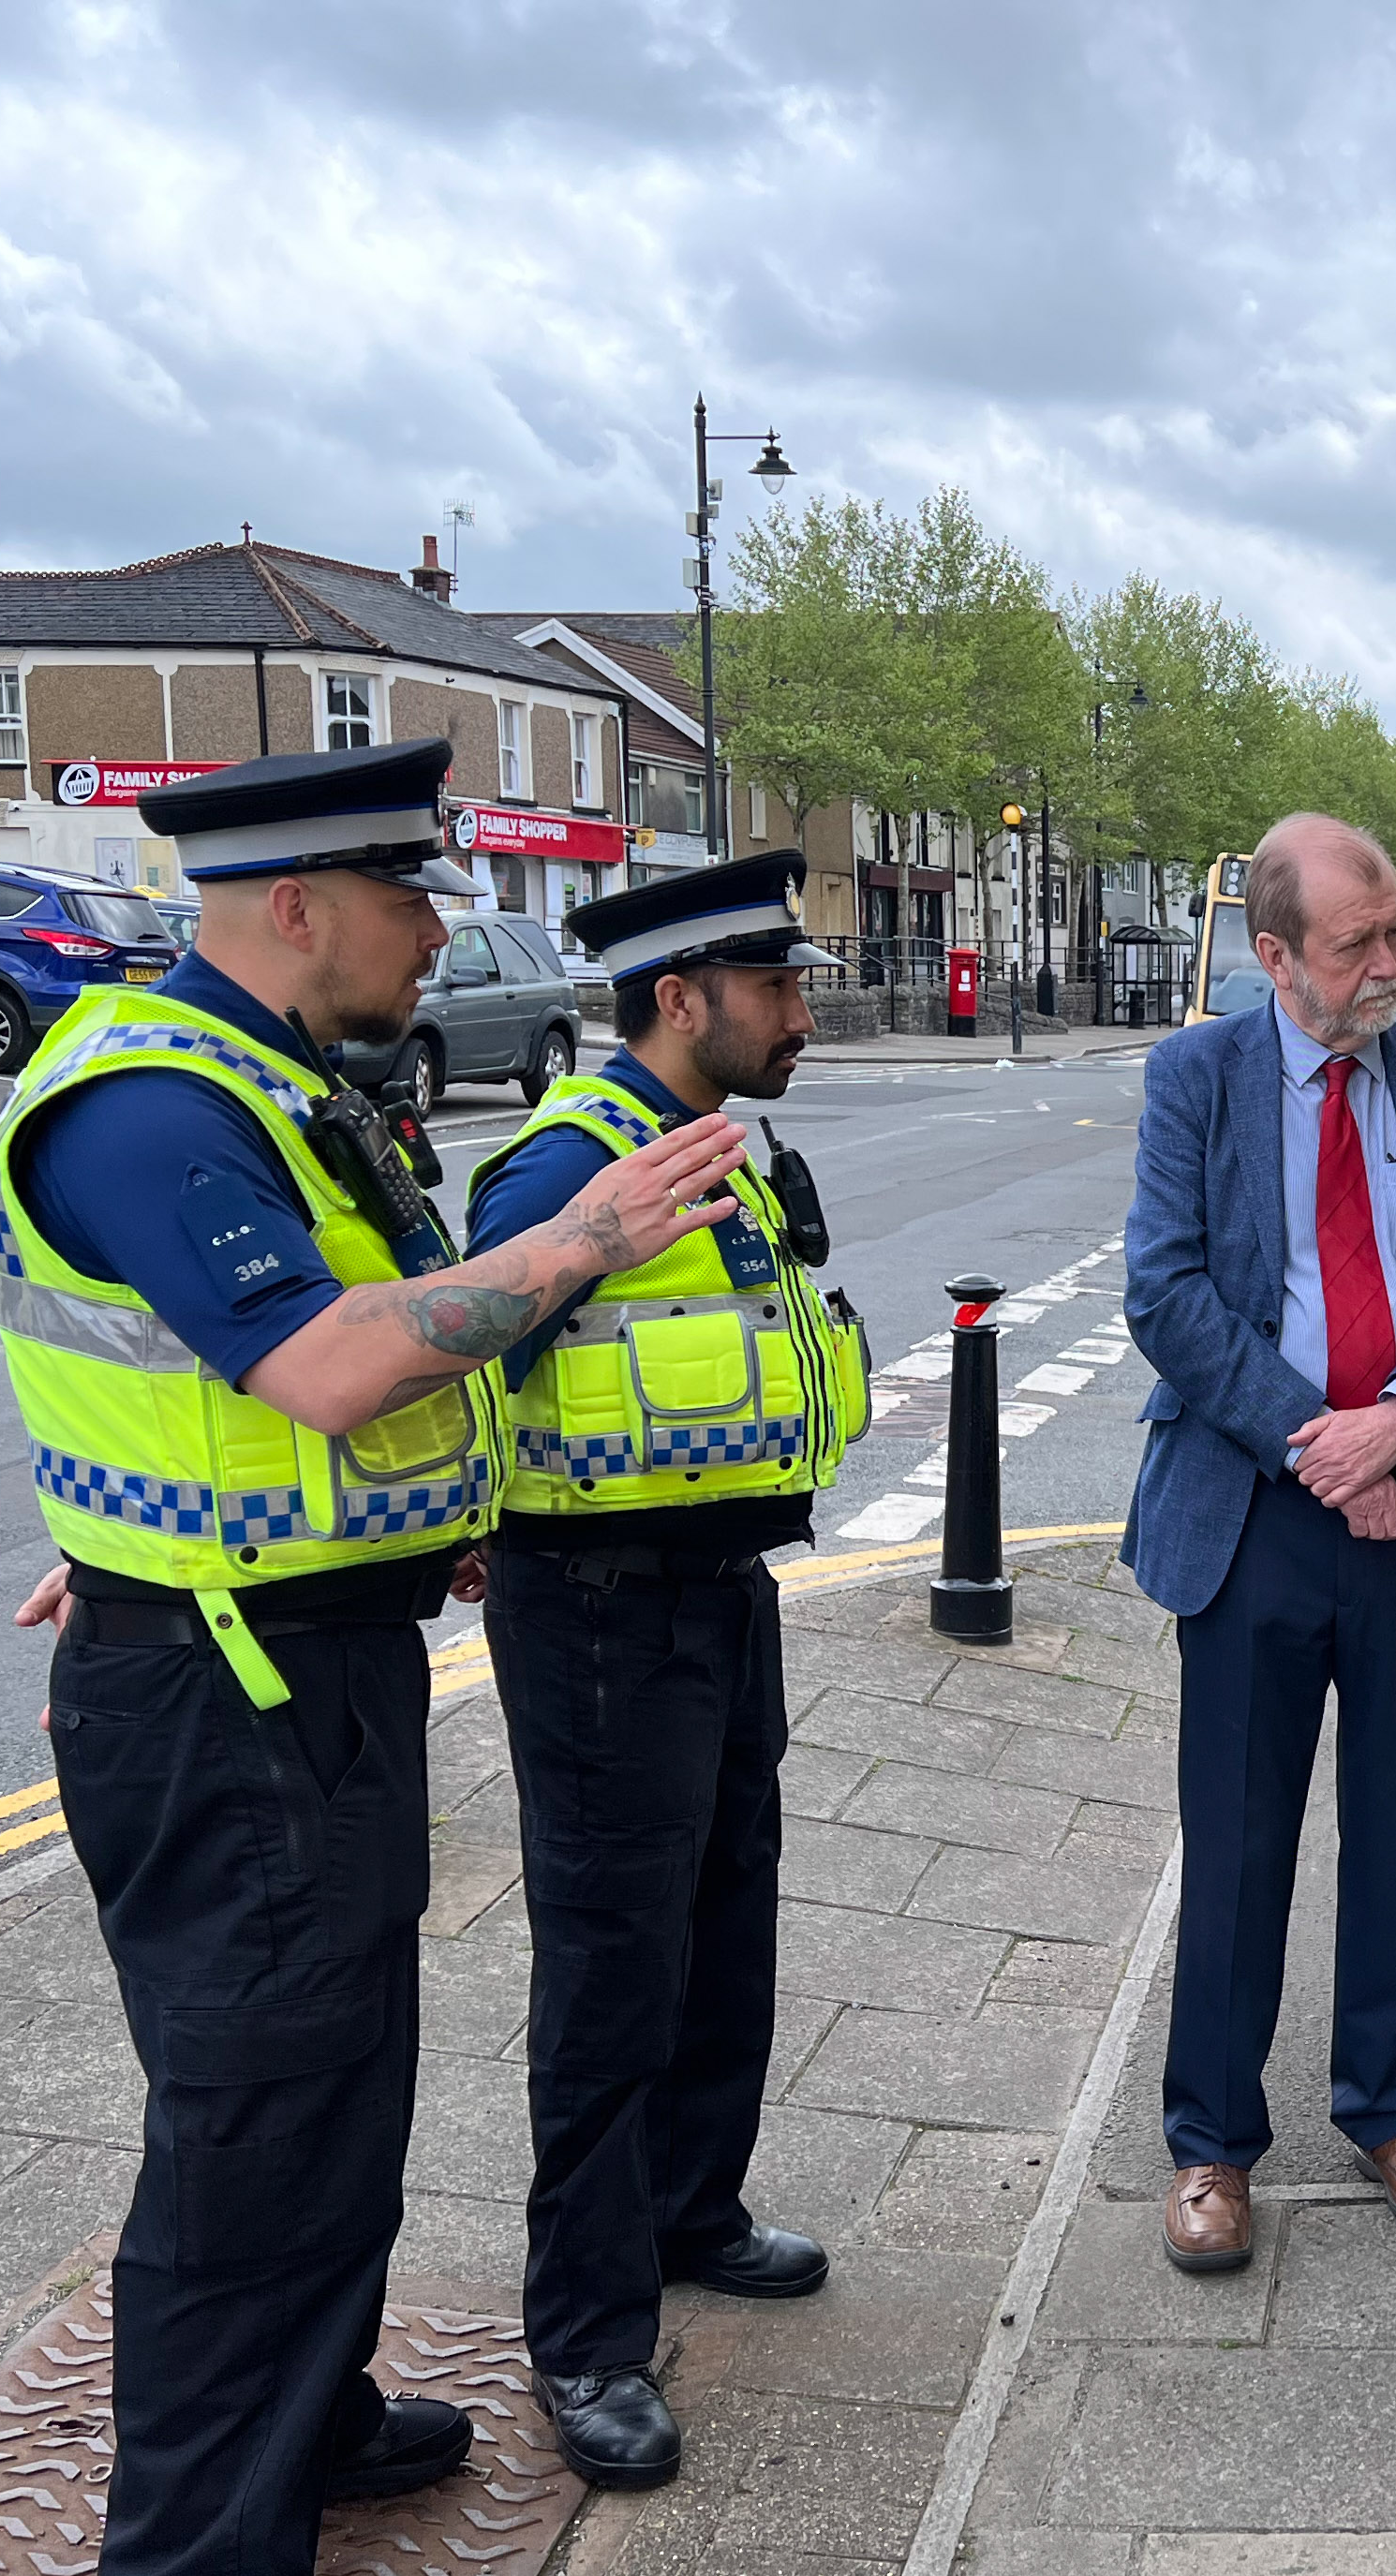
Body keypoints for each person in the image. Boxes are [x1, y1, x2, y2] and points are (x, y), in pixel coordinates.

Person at [0, 739, 750, 2576]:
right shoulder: (152, 1107)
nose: (438, 933)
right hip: (224, 1701)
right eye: (412, 898)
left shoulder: (271, 1082)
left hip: (294, 1666)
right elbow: (329, 1363)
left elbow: (234, 1399)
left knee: (331, 2105)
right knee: (251, 2140)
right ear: (296, 904)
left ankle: (307, 2426)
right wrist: (578, 1240)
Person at [461, 851, 868, 2491]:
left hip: (717, 1597)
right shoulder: (572, 1169)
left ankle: (694, 2207)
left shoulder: (714, 1154)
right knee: (612, 1976)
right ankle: (585, 2332)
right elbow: (459, 1347)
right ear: (681, 998)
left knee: (722, 1925)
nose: (801, 1017)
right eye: (776, 989)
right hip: (597, 1617)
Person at [1121, 811, 1396, 2273]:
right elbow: (1166, 1294)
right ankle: (1210, 2143)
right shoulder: (1198, 1077)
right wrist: (1324, 1443)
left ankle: (1389, 2112)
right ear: (1274, 955)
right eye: (1357, 945)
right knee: (1238, 1839)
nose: (1389, 967)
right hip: (1257, 1513)